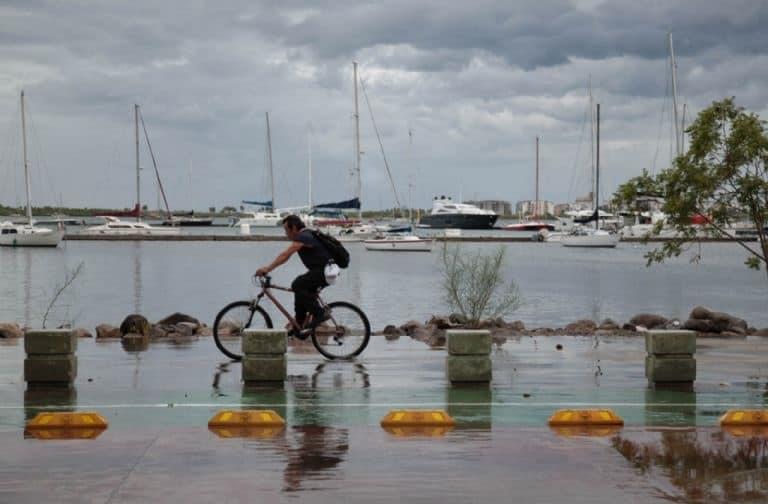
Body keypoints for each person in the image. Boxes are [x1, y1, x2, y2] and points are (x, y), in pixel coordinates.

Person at [255, 215, 337, 333]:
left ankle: (320, 314)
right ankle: (298, 325)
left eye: (286, 230)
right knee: (300, 290)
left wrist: (267, 269)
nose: (285, 234)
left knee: (297, 284)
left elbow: (285, 255)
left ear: (293, 228)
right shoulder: (308, 234)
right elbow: (286, 257)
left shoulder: (303, 237)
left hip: (325, 271)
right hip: (326, 270)